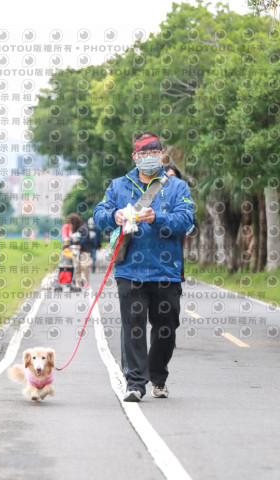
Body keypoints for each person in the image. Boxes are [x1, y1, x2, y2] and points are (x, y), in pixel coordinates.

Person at [93, 131, 194, 402]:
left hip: (166, 271)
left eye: (154, 152)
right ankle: (135, 383)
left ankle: (157, 375)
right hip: (130, 270)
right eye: (143, 153)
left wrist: (157, 217)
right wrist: (112, 215)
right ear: (134, 157)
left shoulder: (176, 187)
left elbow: (186, 220)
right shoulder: (118, 186)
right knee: (133, 327)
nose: (149, 157)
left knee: (166, 328)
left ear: (162, 154)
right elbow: (99, 214)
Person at [66, 213, 91, 290]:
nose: (70, 224)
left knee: (84, 266)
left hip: (85, 250)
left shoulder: (84, 227)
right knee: (77, 267)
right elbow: (72, 238)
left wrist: (80, 245)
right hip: (75, 251)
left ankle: (86, 281)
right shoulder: (73, 229)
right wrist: (71, 246)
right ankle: (78, 283)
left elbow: (85, 238)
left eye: (71, 223)